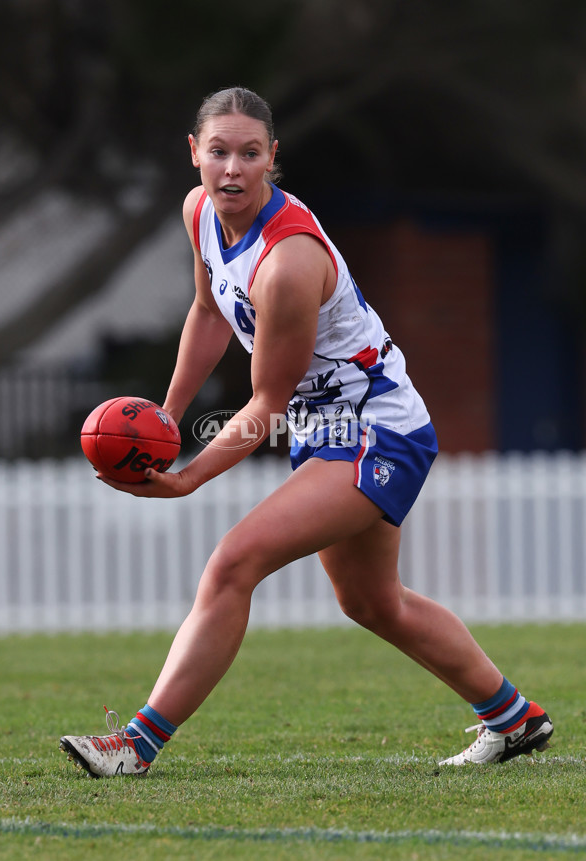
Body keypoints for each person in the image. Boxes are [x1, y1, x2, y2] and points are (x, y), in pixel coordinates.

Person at [59, 87, 553, 777]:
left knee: (234, 562)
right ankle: (515, 718)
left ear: (272, 158)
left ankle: (134, 746)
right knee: (373, 602)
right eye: (220, 151)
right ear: (194, 152)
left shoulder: (288, 262)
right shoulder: (199, 211)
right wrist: (167, 417)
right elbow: (206, 312)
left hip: (380, 429)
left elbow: (266, 401)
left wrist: (187, 478)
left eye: (250, 154)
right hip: (328, 430)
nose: (233, 169)